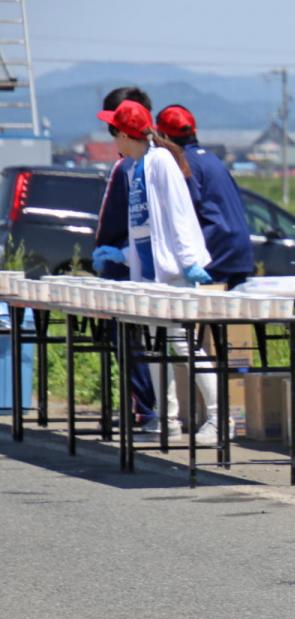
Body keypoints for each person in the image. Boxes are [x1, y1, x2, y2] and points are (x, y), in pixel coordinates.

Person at [96, 99, 223, 445]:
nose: (114, 141)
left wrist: (189, 261)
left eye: (115, 133)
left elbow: (179, 216)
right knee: (156, 347)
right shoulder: (134, 168)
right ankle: (166, 420)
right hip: (151, 274)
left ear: (124, 133)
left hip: (175, 272)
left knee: (183, 346)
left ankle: (217, 416)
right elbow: (146, 229)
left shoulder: (160, 162)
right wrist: (121, 255)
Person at [92, 85, 157, 426]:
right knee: (138, 342)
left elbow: (126, 221)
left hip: (130, 268)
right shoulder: (133, 165)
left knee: (138, 344)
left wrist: (113, 254)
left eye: (115, 126)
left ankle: (148, 409)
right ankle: (150, 408)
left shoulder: (139, 167)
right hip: (125, 263)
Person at [155, 105, 255, 289]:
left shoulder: (184, 163)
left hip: (215, 252)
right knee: (234, 315)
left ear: (165, 137)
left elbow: (182, 214)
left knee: (205, 314)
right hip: (239, 251)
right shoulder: (211, 159)